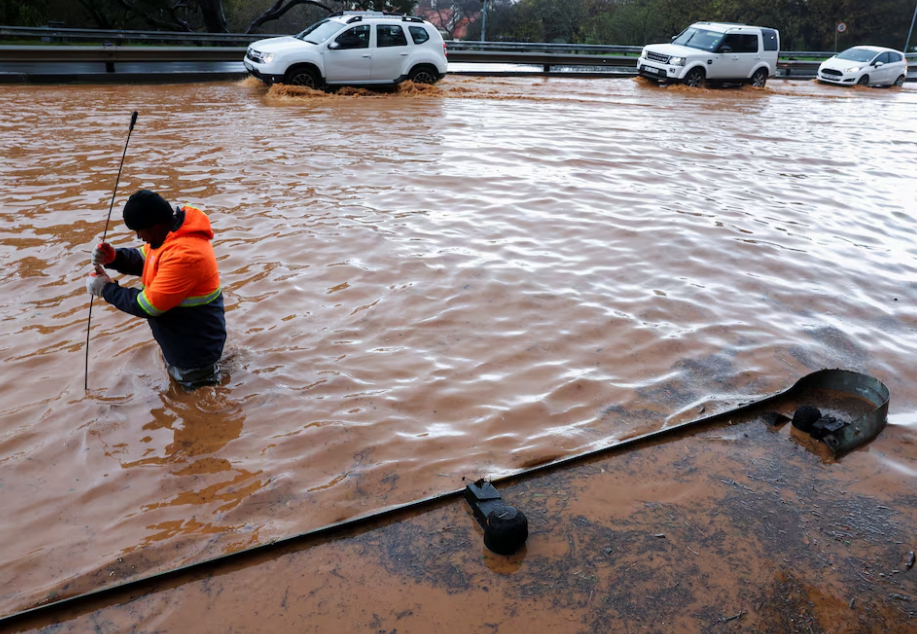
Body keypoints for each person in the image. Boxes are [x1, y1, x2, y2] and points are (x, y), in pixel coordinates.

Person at [86, 190, 226, 389]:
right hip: (183, 342)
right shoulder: (168, 236)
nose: (139, 237)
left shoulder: (185, 254)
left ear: (156, 226)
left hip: (193, 352)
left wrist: (106, 289)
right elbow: (145, 259)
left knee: (195, 406)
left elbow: (147, 305)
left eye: (141, 231)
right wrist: (114, 257)